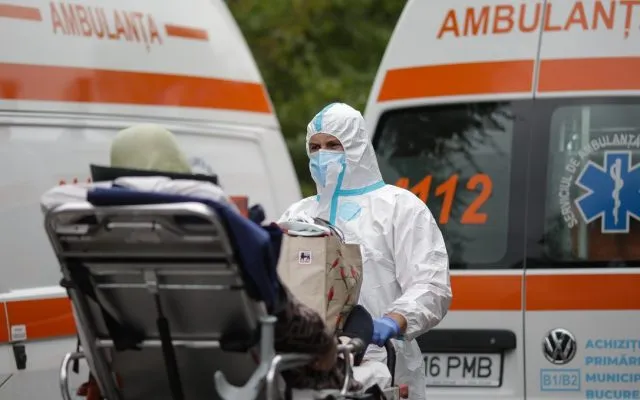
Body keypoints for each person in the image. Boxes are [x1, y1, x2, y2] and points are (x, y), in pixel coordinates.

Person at [40, 123, 390, 397]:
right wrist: (330, 346)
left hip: (141, 382)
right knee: (361, 346)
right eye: (316, 146)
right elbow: (289, 322)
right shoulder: (213, 228)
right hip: (250, 377)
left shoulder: (91, 243)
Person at [278, 102, 453, 400]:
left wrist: (393, 320)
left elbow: (431, 285)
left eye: (333, 145)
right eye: (315, 147)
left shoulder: (399, 207)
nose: (322, 155)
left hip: (381, 360)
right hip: (309, 362)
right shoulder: (298, 215)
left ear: (356, 146)